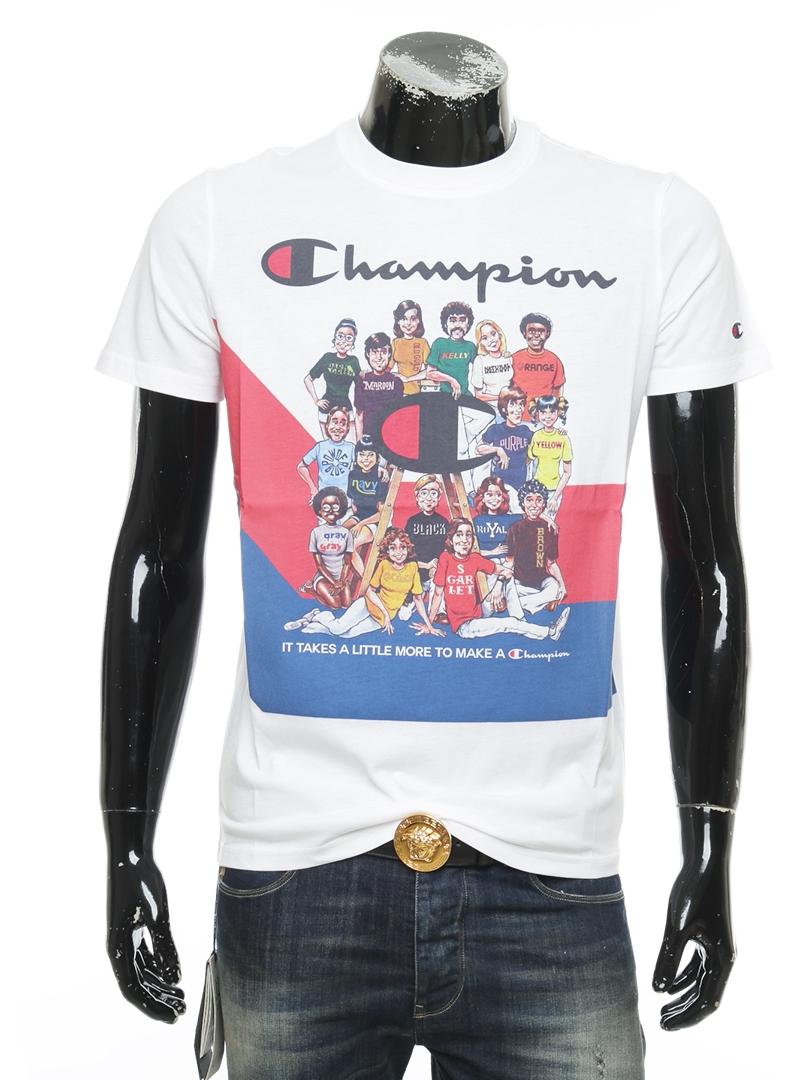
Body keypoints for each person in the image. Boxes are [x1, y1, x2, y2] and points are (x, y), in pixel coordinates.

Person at [97, 30, 770, 1080]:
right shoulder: (218, 218)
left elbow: (707, 567)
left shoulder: (654, 224)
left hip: (550, 867)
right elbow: (157, 549)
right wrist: (126, 842)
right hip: (297, 860)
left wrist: (711, 846)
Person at [425, 517, 570, 640]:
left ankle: (519, 619)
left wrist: (498, 585)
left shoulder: (474, 558)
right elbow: (438, 593)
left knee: (505, 576)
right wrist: (429, 624)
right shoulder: (446, 558)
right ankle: (550, 632)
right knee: (509, 624)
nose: (464, 540)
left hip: (480, 611)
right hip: (465, 625)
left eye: (468, 535)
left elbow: (507, 571)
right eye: (459, 535)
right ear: (451, 539)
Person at [286, 527, 444, 638]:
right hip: (370, 604)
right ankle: (318, 615)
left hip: (384, 616)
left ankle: (311, 623)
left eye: (402, 547)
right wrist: (385, 613)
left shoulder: (412, 568)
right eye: (393, 548)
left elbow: (418, 599)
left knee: (347, 635)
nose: (398, 552)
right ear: (388, 551)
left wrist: (429, 626)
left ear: (408, 549)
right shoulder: (384, 565)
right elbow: (369, 591)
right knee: (338, 628)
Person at [504, 479, 566, 615]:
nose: (534, 505)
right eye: (529, 500)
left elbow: (551, 563)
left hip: (541, 581)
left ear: (544, 503)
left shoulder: (550, 529)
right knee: (509, 588)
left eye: (538, 500)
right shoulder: (514, 528)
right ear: (523, 503)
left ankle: (517, 603)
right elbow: (509, 561)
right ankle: (542, 601)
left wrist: (562, 585)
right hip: (519, 582)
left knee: (556, 589)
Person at [476, 383, 533, 508]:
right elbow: (479, 449)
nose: (519, 410)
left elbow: (537, 446)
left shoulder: (525, 431)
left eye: (521, 404)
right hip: (501, 487)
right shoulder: (495, 429)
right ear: (504, 409)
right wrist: (498, 450)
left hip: (521, 486)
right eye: (513, 405)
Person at [301, 487, 359, 610]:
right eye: (326, 507)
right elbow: (319, 564)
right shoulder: (316, 533)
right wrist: (334, 583)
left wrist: (341, 580)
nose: (331, 511)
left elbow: (347, 562)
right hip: (324, 578)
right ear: (320, 510)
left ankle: (338, 586)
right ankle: (311, 590)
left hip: (341, 578)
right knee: (335, 605)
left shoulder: (346, 533)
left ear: (341, 509)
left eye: (335, 507)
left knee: (346, 604)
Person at [304, 318, 361, 437]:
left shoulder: (353, 361)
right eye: (340, 336)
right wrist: (316, 400)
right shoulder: (327, 358)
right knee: (328, 444)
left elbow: (360, 385)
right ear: (334, 338)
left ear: (353, 342)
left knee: (351, 443)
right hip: (327, 408)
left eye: (349, 338)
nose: (343, 341)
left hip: (346, 407)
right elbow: (308, 379)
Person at [511, 312, 565, 420]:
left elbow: (557, 391)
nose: (536, 335)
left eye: (541, 331)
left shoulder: (553, 360)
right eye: (531, 331)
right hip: (516, 418)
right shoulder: (514, 359)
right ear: (524, 333)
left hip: (543, 419)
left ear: (547, 334)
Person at [527, 395, 573, 519]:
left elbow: (567, 473)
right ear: (537, 413)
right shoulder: (536, 436)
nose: (547, 416)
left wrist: (554, 498)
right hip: (536, 490)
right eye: (543, 412)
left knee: (548, 525)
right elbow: (528, 462)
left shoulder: (563, 438)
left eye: (552, 412)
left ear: (558, 412)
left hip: (554, 490)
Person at [296, 405, 355, 499]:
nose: (338, 427)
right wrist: (313, 488)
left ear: (347, 428)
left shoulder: (351, 448)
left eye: (342, 424)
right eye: (334, 422)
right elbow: (301, 467)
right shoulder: (320, 447)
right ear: (327, 425)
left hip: (345, 501)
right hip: (324, 500)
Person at [354, 332, 404, 440]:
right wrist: (359, 443)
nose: (379, 357)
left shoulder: (396, 381)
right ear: (368, 354)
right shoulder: (362, 380)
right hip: (368, 437)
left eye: (384, 352)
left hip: (389, 437)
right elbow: (359, 416)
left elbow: (398, 416)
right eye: (374, 352)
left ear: (389, 354)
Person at [425, 301, 475, 397]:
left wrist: (502, 354)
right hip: (443, 396)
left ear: (468, 324)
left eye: (462, 321)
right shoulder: (439, 344)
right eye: (453, 321)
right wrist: (451, 380)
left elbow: (482, 364)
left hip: (464, 395)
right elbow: (430, 373)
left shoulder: (470, 347)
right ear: (445, 324)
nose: (457, 325)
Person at [471, 476, 520, 557]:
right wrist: (492, 552)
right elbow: (470, 551)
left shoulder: (509, 519)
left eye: (498, 495)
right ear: (482, 498)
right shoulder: (476, 521)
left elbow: (530, 516)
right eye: (489, 495)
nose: (494, 498)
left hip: (505, 561)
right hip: (483, 561)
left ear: (503, 498)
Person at [391, 299, 430, 394]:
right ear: (398, 321)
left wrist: (408, 379)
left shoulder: (423, 343)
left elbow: (429, 371)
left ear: (418, 320)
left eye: (412, 319)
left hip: (415, 392)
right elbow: (386, 368)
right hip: (397, 392)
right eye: (404, 319)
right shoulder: (395, 342)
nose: (408, 323)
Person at [470, 319, 514, 403]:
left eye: (493, 334)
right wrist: (501, 397)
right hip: (491, 406)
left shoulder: (508, 357)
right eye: (485, 338)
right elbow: (479, 396)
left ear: (499, 335)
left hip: (509, 406)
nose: (491, 340)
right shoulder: (480, 360)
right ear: (481, 343)